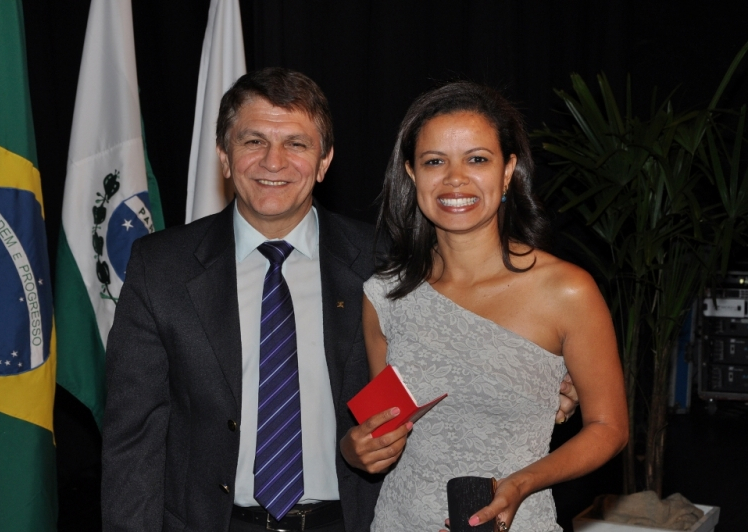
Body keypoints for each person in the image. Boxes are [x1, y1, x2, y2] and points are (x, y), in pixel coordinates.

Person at [101, 68, 579, 532]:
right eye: (253, 142)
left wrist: (548, 379)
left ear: (324, 161)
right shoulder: (161, 269)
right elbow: (132, 436)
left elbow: (469, 351)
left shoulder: (389, 266)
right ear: (225, 156)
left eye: (296, 144)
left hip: (352, 521)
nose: (273, 162)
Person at [341, 82, 628, 532]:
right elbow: (384, 428)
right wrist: (355, 450)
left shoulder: (566, 291)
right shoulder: (385, 294)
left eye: (477, 159)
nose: (455, 178)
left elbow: (610, 428)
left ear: (508, 170)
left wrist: (521, 483)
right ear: (412, 173)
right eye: (434, 161)